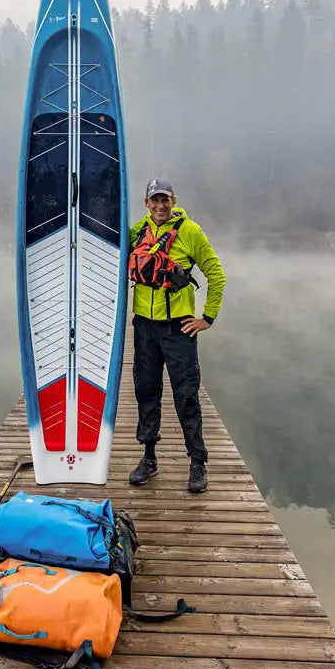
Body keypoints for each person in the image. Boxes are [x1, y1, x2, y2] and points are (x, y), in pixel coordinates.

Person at [128, 177, 226, 493]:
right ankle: (149, 458)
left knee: (186, 395)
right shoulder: (137, 233)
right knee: (146, 391)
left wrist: (207, 318)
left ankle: (197, 463)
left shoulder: (191, 232)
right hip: (144, 325)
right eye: (154, 200)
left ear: (173, 201)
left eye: (165, 200)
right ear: (146, 203)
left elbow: (217, 276)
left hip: (178, 328)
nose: (160, 206)